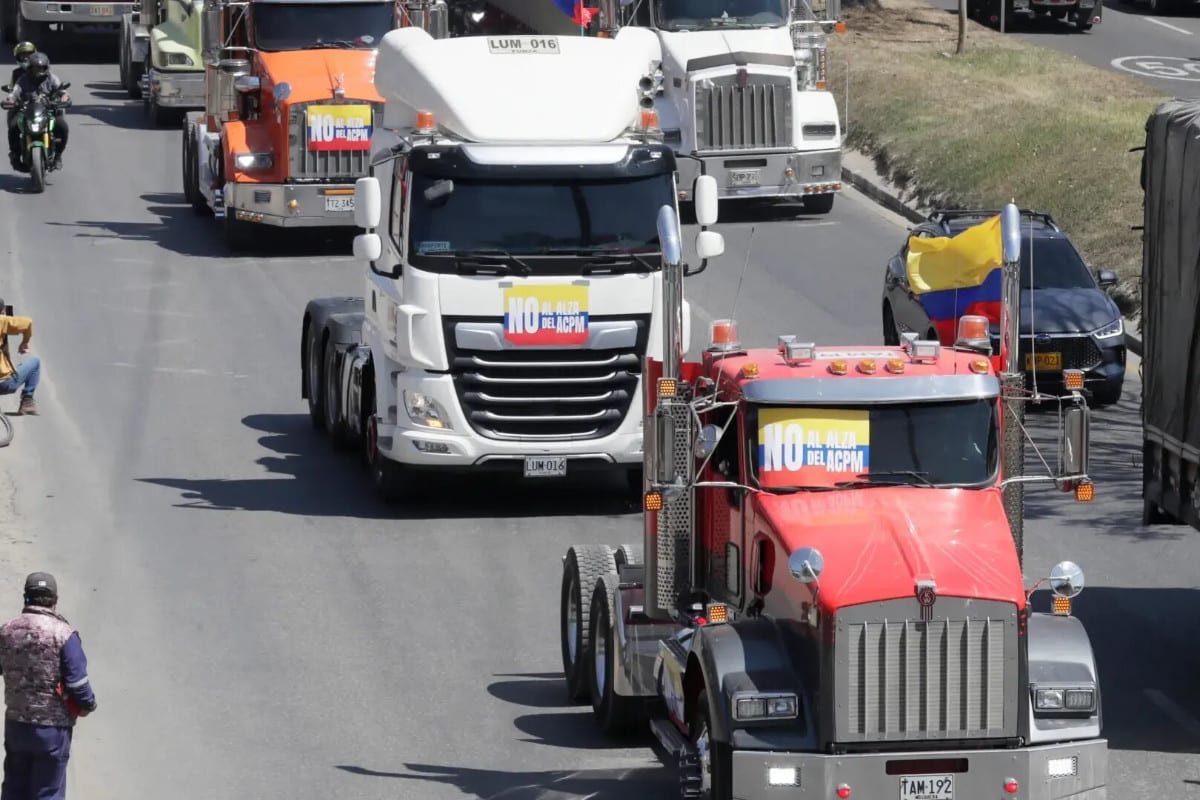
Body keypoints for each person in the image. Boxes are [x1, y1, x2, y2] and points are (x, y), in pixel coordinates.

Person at [0, 573, 96, 800]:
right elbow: (77, 683)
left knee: (14, 788)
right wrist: (88, 704)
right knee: (47, 792)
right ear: (55, 599)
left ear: (26, 597)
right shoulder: (64, 634)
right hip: (52, 731)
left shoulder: (6, 631)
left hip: (16, 726)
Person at [4, 53, 69, 171]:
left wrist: (64, 97)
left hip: (48, 112)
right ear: (30, 68)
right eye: (35, 68)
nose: (38, 71)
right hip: (26, 111)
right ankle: (15, 155)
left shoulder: (52, 78)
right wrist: (10, 100)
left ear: (46, 68)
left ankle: (58, 156)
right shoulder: (23, 79)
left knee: (62, 127)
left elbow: (62, 91)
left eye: (40, 68)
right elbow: (14, 93)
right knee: (13, 126)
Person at [0, 299, 39, 416]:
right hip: (4, 384)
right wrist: (24, 342)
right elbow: (28, 323)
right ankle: (27, 401)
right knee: (35, 363)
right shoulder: (2, 321)